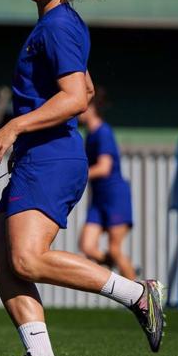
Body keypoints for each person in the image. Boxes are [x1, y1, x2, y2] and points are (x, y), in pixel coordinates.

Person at [0, 0, 164, 356]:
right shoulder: (59, 24)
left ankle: (137, 293)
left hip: (52, 157)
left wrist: (14, 126)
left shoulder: (58, 24)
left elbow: (77, 99)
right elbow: (87, 86)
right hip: (41, 156)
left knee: (25, 259)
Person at [77, 89, 136, 280]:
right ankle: (121, 267)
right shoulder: (90, 135)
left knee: (114, 249)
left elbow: (104, 168)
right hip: (98, 200)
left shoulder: (103, 132)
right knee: (87, 246)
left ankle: (142, 298)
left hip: (115, 197)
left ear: (92, 107)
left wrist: (76, 176)